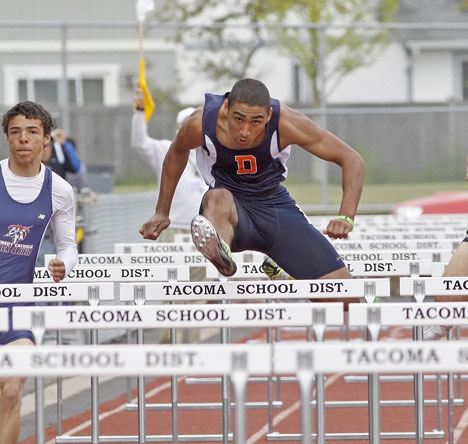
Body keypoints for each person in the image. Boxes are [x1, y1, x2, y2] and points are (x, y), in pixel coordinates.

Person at [140, 78, 365, 284]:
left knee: (343, 293)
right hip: (231, 213)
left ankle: (279, 260)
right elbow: (175, 154)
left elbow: (352, 160)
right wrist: (162, 211)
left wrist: (346, 215)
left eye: (256, 122)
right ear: (226, 108)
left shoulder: (286, 123)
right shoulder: (201, 123)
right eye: (238, 119)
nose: (245, 131)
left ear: (268, 116)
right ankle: (221, 249)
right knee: (216, 197)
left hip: (274, 208)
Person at [0, 101, 78, 444]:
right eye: (15, 132)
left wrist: (65, 267)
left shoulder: (60, 190)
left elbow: (67, 247)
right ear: (7, 138)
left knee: (12, 390)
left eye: (32, 132)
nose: (23, 140)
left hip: (22, 306)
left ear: (46, 140)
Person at [132, 88, 207, 230]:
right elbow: (140, 143)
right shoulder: (166, 149)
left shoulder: (207, 152)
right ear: (180, 127)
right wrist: (139, 112)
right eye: (187, 124)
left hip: (203, 226)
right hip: (173, 225)